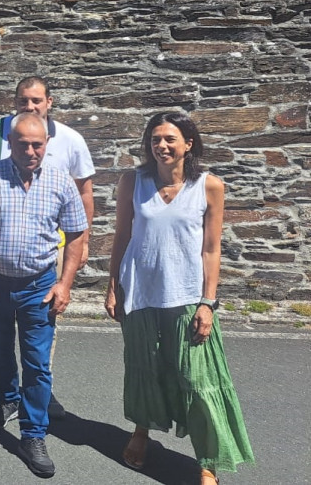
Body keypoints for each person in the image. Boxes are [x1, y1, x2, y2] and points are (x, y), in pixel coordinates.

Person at [104, 112, 253, 485]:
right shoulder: (132, 181)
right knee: (144, 368)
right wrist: (112, 285)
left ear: (189, 144)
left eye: (170, 139)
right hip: (140, 293)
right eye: (156, 139)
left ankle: (208, 460)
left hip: (187, 295)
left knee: (198, 379)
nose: (162, 146)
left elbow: (211, 249)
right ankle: (142, 432)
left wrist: (208, 302)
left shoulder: (208, 186)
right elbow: (122, 236)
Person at [0, 113, 88, 477]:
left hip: (39, 287)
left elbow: (76, 235)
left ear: (46, 144)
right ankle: (9, 398)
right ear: (10, 142)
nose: (31, 151)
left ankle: (33, 434)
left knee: (38, 363)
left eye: (37, 144)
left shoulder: (61, 182)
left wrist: (65, 284)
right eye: (23, 144)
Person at [0, 76, 95, 419]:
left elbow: (84, 192)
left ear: (49, 102)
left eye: (36, 100)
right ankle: (8, 388)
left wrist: (81, 243)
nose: (30, 106)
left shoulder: (70, 140)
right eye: (23, 100)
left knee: (39, 341)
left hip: (49, 249)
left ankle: (39, 394)